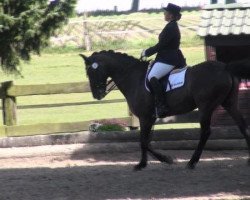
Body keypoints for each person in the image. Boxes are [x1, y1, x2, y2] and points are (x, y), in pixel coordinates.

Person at [141, 3, 186, 118]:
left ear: (171, 15)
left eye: (166, 12)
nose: (164, 14)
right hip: (165, 57)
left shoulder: (171, 27)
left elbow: (161, 45)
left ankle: (162, 105)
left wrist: (147, 52)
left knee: (152, 77)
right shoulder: (171, 25)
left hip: (168, 59)